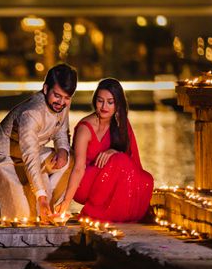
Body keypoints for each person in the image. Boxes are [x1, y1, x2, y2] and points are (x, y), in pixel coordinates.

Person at [0, 64, 76, 221]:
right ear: (45, 89)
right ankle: (42, 201)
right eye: (57, 96)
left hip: (33, 152)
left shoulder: (63, 102)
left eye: (66, 98)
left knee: (70, 159)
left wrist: (63, 150)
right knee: (23, 218)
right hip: (5, 157)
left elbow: (61, 130)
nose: (61, 102)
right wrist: (41, 196)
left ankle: (55, 208)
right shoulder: (31, 114)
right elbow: (30, 157)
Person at [53, 77, 154, 222]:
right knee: (120, 160)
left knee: (145, 180)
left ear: (118, 104)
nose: (104, 106)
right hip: (84, 183)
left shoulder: (121, 123)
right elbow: (78, 168)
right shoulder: (85, 129)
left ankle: (121, 214)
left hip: (108, 180)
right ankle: (96, 212)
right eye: (100, 101)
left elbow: (132, 162)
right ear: (95, 101)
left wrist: (114, 152)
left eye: (110, 102)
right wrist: (66, 202)